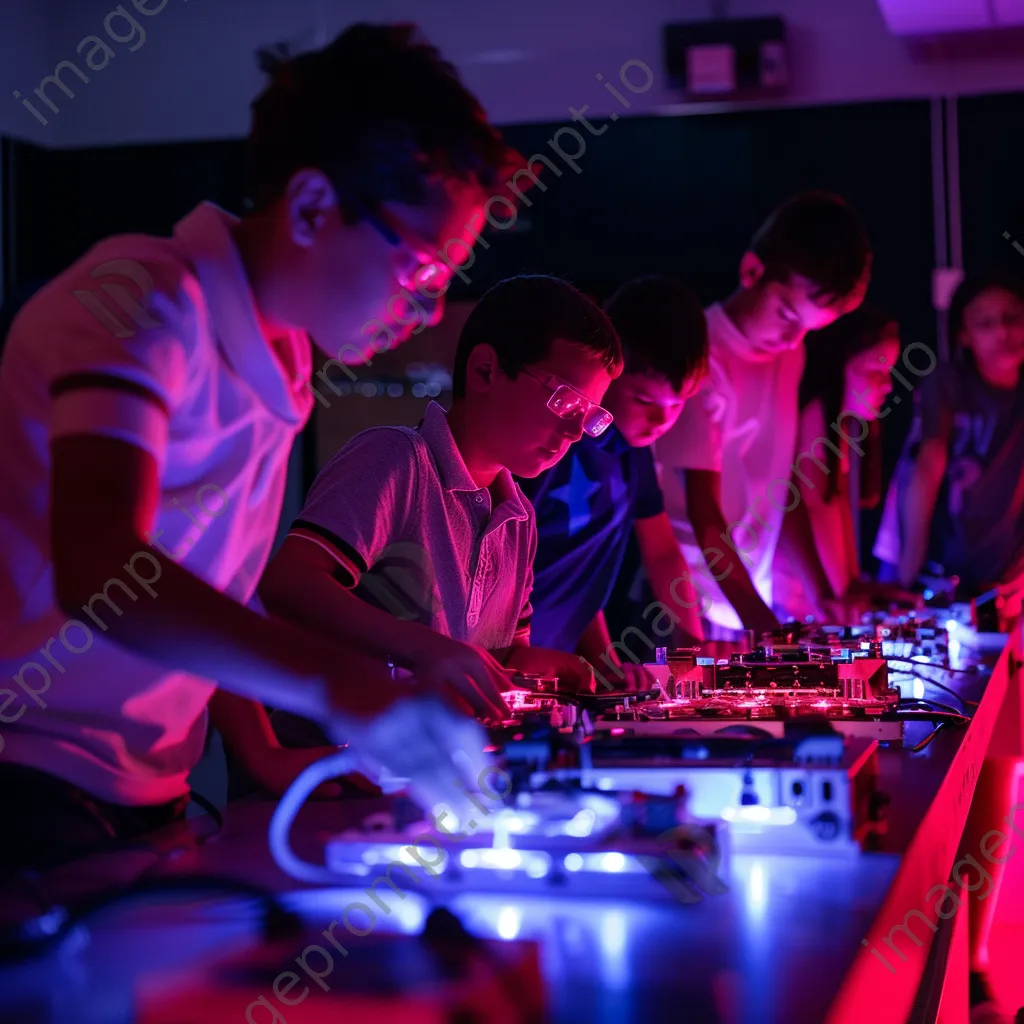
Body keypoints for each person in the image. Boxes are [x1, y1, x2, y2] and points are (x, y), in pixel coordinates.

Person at [0, 24, 526, 870]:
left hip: (150, 792)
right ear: (314, 205)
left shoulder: (281, 363)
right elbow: (101, 567)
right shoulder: (138, 297)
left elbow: (217, 590)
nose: (428, 313)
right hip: (29, 780)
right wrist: (344, 688)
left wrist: (283, 748)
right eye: (421, 271)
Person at [256, 275, 622, 729]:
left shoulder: (519, 519)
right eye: (564, 401)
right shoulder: (397, 460)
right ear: (485, 370)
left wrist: (562, 667)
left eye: (588, 418)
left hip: (428, 764)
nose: (572, 433)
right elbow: (287, 583)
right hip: (333, 758)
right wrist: (423, 647)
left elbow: (498, 655)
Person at [654, 192, 872, 638]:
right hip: (690, 607)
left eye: (810, 328)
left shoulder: (788, 355)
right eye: (787, 314)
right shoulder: (702, 355)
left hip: (750, 603)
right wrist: (762, 627)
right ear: (752, 271)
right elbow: (703, 512)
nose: (794, 338)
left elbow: (782, 488)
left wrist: (822, 597)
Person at [519, 276, 708, 689]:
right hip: (504, 653)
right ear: (610, 371)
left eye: (677, 405)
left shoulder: (633, 453)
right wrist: (602, 662)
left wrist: (692, 648)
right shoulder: (556, 439)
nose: (661, 421)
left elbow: (659, 554)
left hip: (551, 660)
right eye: (644, 399)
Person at [878, 270, 1024, 601]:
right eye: (985, 323)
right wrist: (908, 569)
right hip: (937, 567)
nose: (1002, 331)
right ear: (964, 335)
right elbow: (928, 463)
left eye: (1012, 317)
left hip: (1006, 574)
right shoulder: (946, 383)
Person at [773, 307, 909, 622]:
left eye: (889, 373)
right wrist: (833, 598)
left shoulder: (842, 427)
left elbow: (836, 508)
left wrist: (854, 587)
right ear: (838, 366)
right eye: (875, 373)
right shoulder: (816, 416)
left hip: (819, 604)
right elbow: (812, 509)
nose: (888, 386)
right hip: (797, 606)